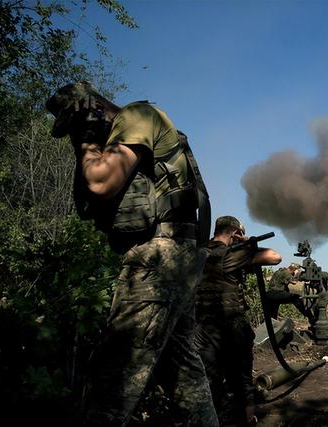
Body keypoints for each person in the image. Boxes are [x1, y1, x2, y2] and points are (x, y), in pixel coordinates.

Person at [46, 81, 218, 426]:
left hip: (159, 258)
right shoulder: (138, 126)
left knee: (114, 373)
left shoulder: (136, 116)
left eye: (74, 123)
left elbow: (100, 181)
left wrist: (88, 140)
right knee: (183, 374)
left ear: (88, 109)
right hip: (178, 255)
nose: (74, 135)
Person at [194, 216, 281, 426]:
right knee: (241, 380)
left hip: (202, 327)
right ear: (234, 233)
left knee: (210, 377)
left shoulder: (199, 251)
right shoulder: (230, 254)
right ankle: (248, 419)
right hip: (232, 327)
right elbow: (274, 257)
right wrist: (248, 243)